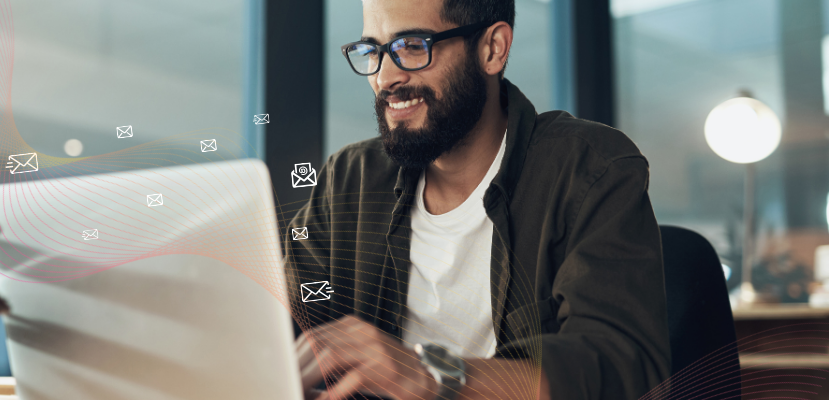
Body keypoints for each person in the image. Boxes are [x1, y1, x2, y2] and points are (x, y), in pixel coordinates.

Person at [284, 0, 671, 399]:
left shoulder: (590, 169)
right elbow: (283, 320)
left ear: (493, 49)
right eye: (372, 52)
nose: (385, 78)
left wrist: (428, 375)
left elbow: (622, 368)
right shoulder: (349, 180)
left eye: (413, 46)